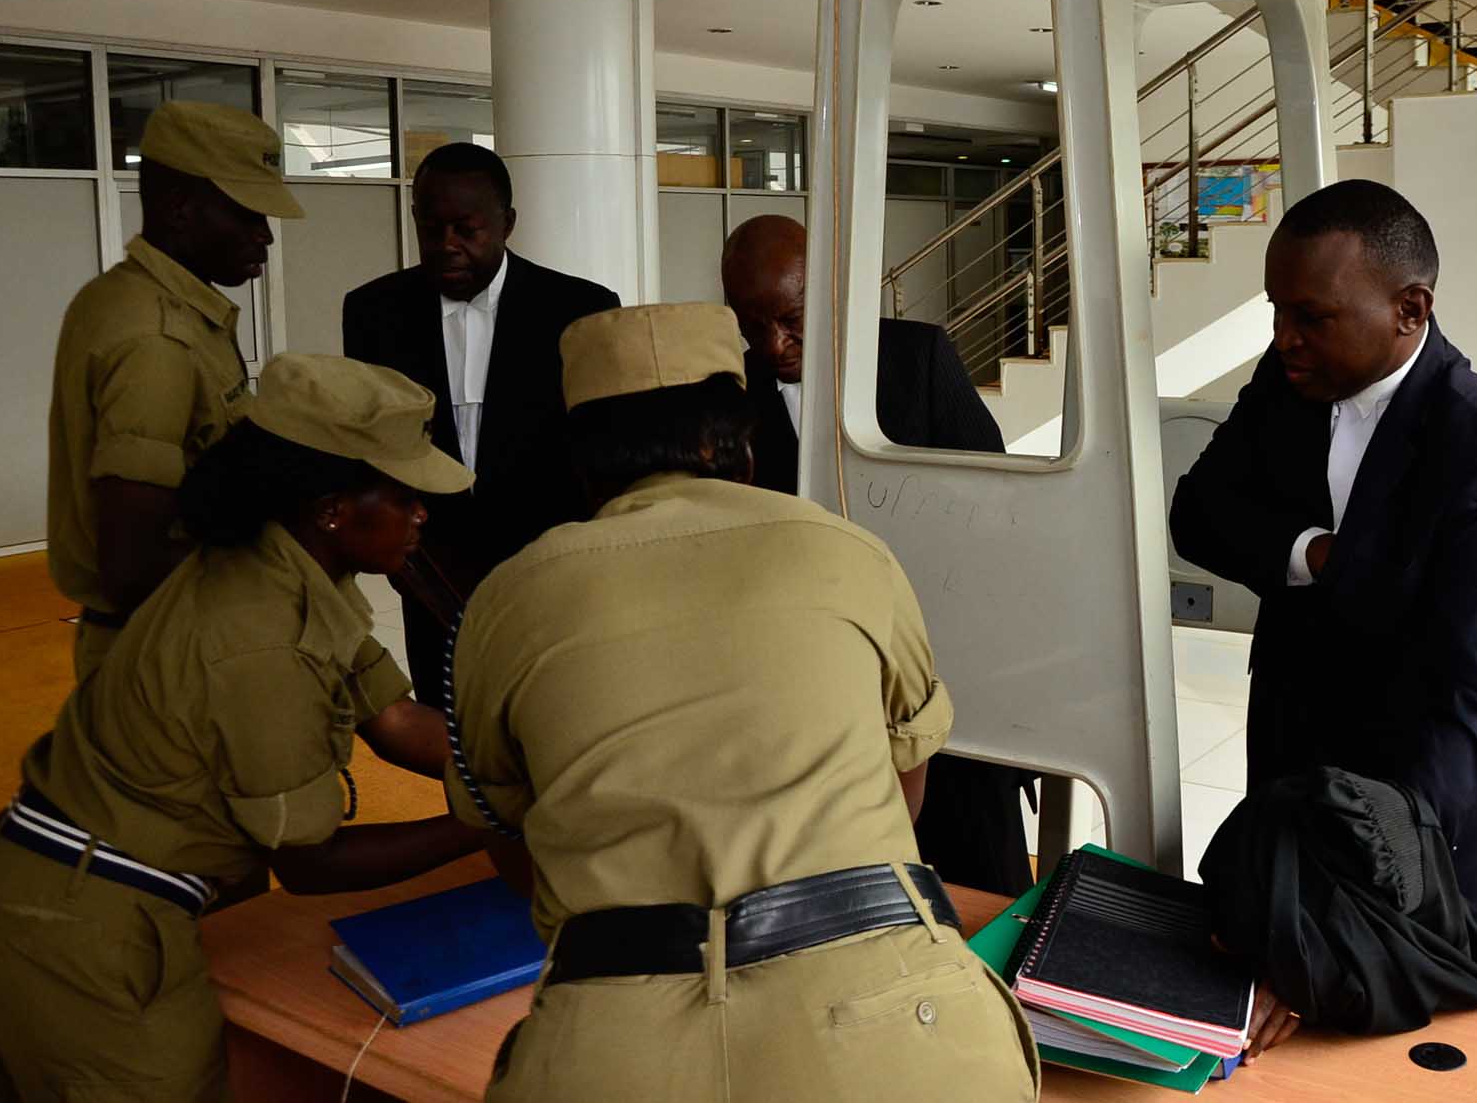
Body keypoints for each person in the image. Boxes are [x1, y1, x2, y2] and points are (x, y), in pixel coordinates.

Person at [443, 303, 1039, 1102]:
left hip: (613, 1045)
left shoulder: (505, 601)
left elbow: (510, 841)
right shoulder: (849, 551)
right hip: (895, 1028)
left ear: (580, 455)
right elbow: (906, 785)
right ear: (739, 442)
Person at [0, 355, 492, 1103]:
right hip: (84, 921)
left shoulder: (290, 563)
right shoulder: (260, 639)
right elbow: (311, 863)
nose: (422, 513)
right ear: (332, 508)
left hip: (88, 887)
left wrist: (521, 765)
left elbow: (393, 718)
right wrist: (491, 817)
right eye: (403, 494)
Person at [1169, 179, 1477, 930]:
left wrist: (1386, 854)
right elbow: (1198, 515)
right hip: (1294, 752)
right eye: (1277, 312)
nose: (1285, 336)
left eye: (1311, 317)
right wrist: (1316, 553)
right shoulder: (1288, 377)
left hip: (1429, 807)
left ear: (1410, 309)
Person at [720, 213, 1033, 896]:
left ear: (830, 289)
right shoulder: (729, 397)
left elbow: (998, 510)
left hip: (944, 692)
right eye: (751, 325)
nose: (774, 345)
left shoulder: (917, 359)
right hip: (809, 710)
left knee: (985, 891)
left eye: (791, 320)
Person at [342, 143, 619, 703]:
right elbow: (371, 445)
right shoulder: (374, 312)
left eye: (467, 229)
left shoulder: (580, 309)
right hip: (431, 571)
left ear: (507, 223)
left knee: (551, 711)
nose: (447, 245)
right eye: (431, 228)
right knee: (451, 719)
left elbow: (598, 446)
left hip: (548, 566)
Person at [46, 100, 304, 680]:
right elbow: (133, 567)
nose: (264, 235)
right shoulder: (156, 338)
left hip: (167, 635)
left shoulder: (123, 296)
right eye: (246, 214)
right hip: (164, 652)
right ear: (179, 207)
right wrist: (287, 567)